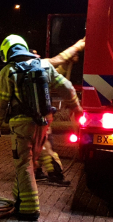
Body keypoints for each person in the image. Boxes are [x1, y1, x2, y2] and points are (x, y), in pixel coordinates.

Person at [0, 35, 82, 221]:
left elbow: (0, 102)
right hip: (43, 124)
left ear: (6, 52)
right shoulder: (45, 66)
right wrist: (76, 109)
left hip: (21, 126)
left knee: (24, 165)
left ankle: (29, 210)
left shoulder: (8, 71)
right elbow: (68, 87)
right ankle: (20, 200)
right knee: (29, 164)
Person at [35, 38, 86, 184]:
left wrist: (68, 62)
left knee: (34, 146)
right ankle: (55, 174)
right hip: (41, 117)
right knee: (46, 145)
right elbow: (58, 62)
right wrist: (78, 46)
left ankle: (36, 170)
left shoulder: (17, 71)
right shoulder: (40, 66)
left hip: (25, 119)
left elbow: (57, 70)